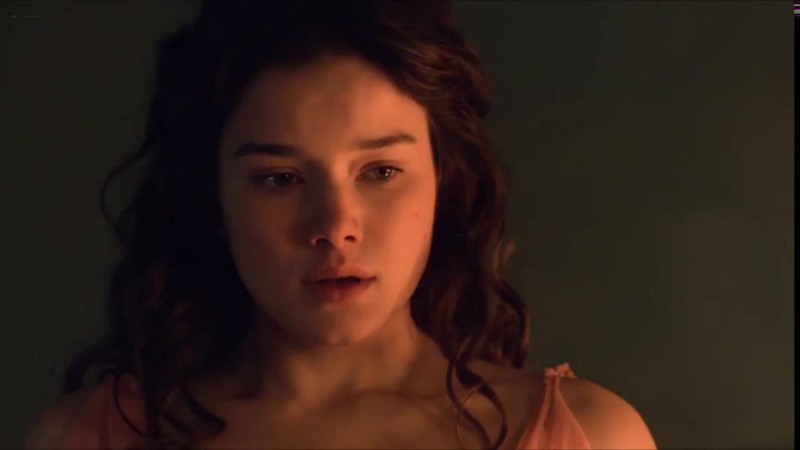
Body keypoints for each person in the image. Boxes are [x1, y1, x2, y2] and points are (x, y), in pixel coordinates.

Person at [24, 1, 657, 449]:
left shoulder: (585, 437)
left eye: (380, 172)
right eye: (279, 179)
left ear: (442, 182)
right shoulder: (88, 437)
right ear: (214, 199)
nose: (334, 226)